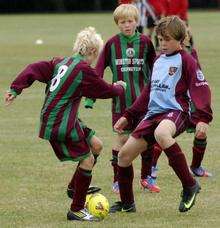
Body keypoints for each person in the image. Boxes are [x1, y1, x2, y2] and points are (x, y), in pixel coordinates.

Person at [5, 27, 126, 222]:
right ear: (94, 52)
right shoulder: (83, 70)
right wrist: (119, 87)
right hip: (59, 123)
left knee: (96, 145)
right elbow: (104, 90)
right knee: (87, 160)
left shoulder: (60, 62)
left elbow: (33, 68)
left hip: (59, 118)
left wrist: (15, 88)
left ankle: (74, 188)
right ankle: (76, 209)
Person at [110, 16, 212, 214]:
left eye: (167, 39)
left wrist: (203, 118)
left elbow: (202, 88)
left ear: (180, 39)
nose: (162, 44)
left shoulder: (187, 60)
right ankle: (127, 203)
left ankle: (190, 185)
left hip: (176, 111)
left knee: (162, 134)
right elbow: (149, 91)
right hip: (153, 114)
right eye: (160, 39)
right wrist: (128, 116)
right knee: (123, 156)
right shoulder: (158, 60)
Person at [86, 3, 159, 194]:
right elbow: (98, 71)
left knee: (147, 139)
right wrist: (90, 98)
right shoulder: (111, 44)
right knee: (122, 138)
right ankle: (118, 179)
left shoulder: (145, 43)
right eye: (122, 22)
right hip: (120, 103)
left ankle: (146, 178)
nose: (127, 25)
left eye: (130, 21)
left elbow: (155, 71)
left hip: (143, 103)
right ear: (117, 24)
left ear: (137, 21)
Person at [149, 29, 212, 179]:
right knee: (164, 133)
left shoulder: (190, 55)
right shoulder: (163, 58)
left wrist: (202, 110)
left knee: (201, 132)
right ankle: (151, 167)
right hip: (177, 104)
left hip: (193, 102)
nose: (163, 43)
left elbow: (199, 79)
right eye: (161, 40)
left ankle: (196, 167)